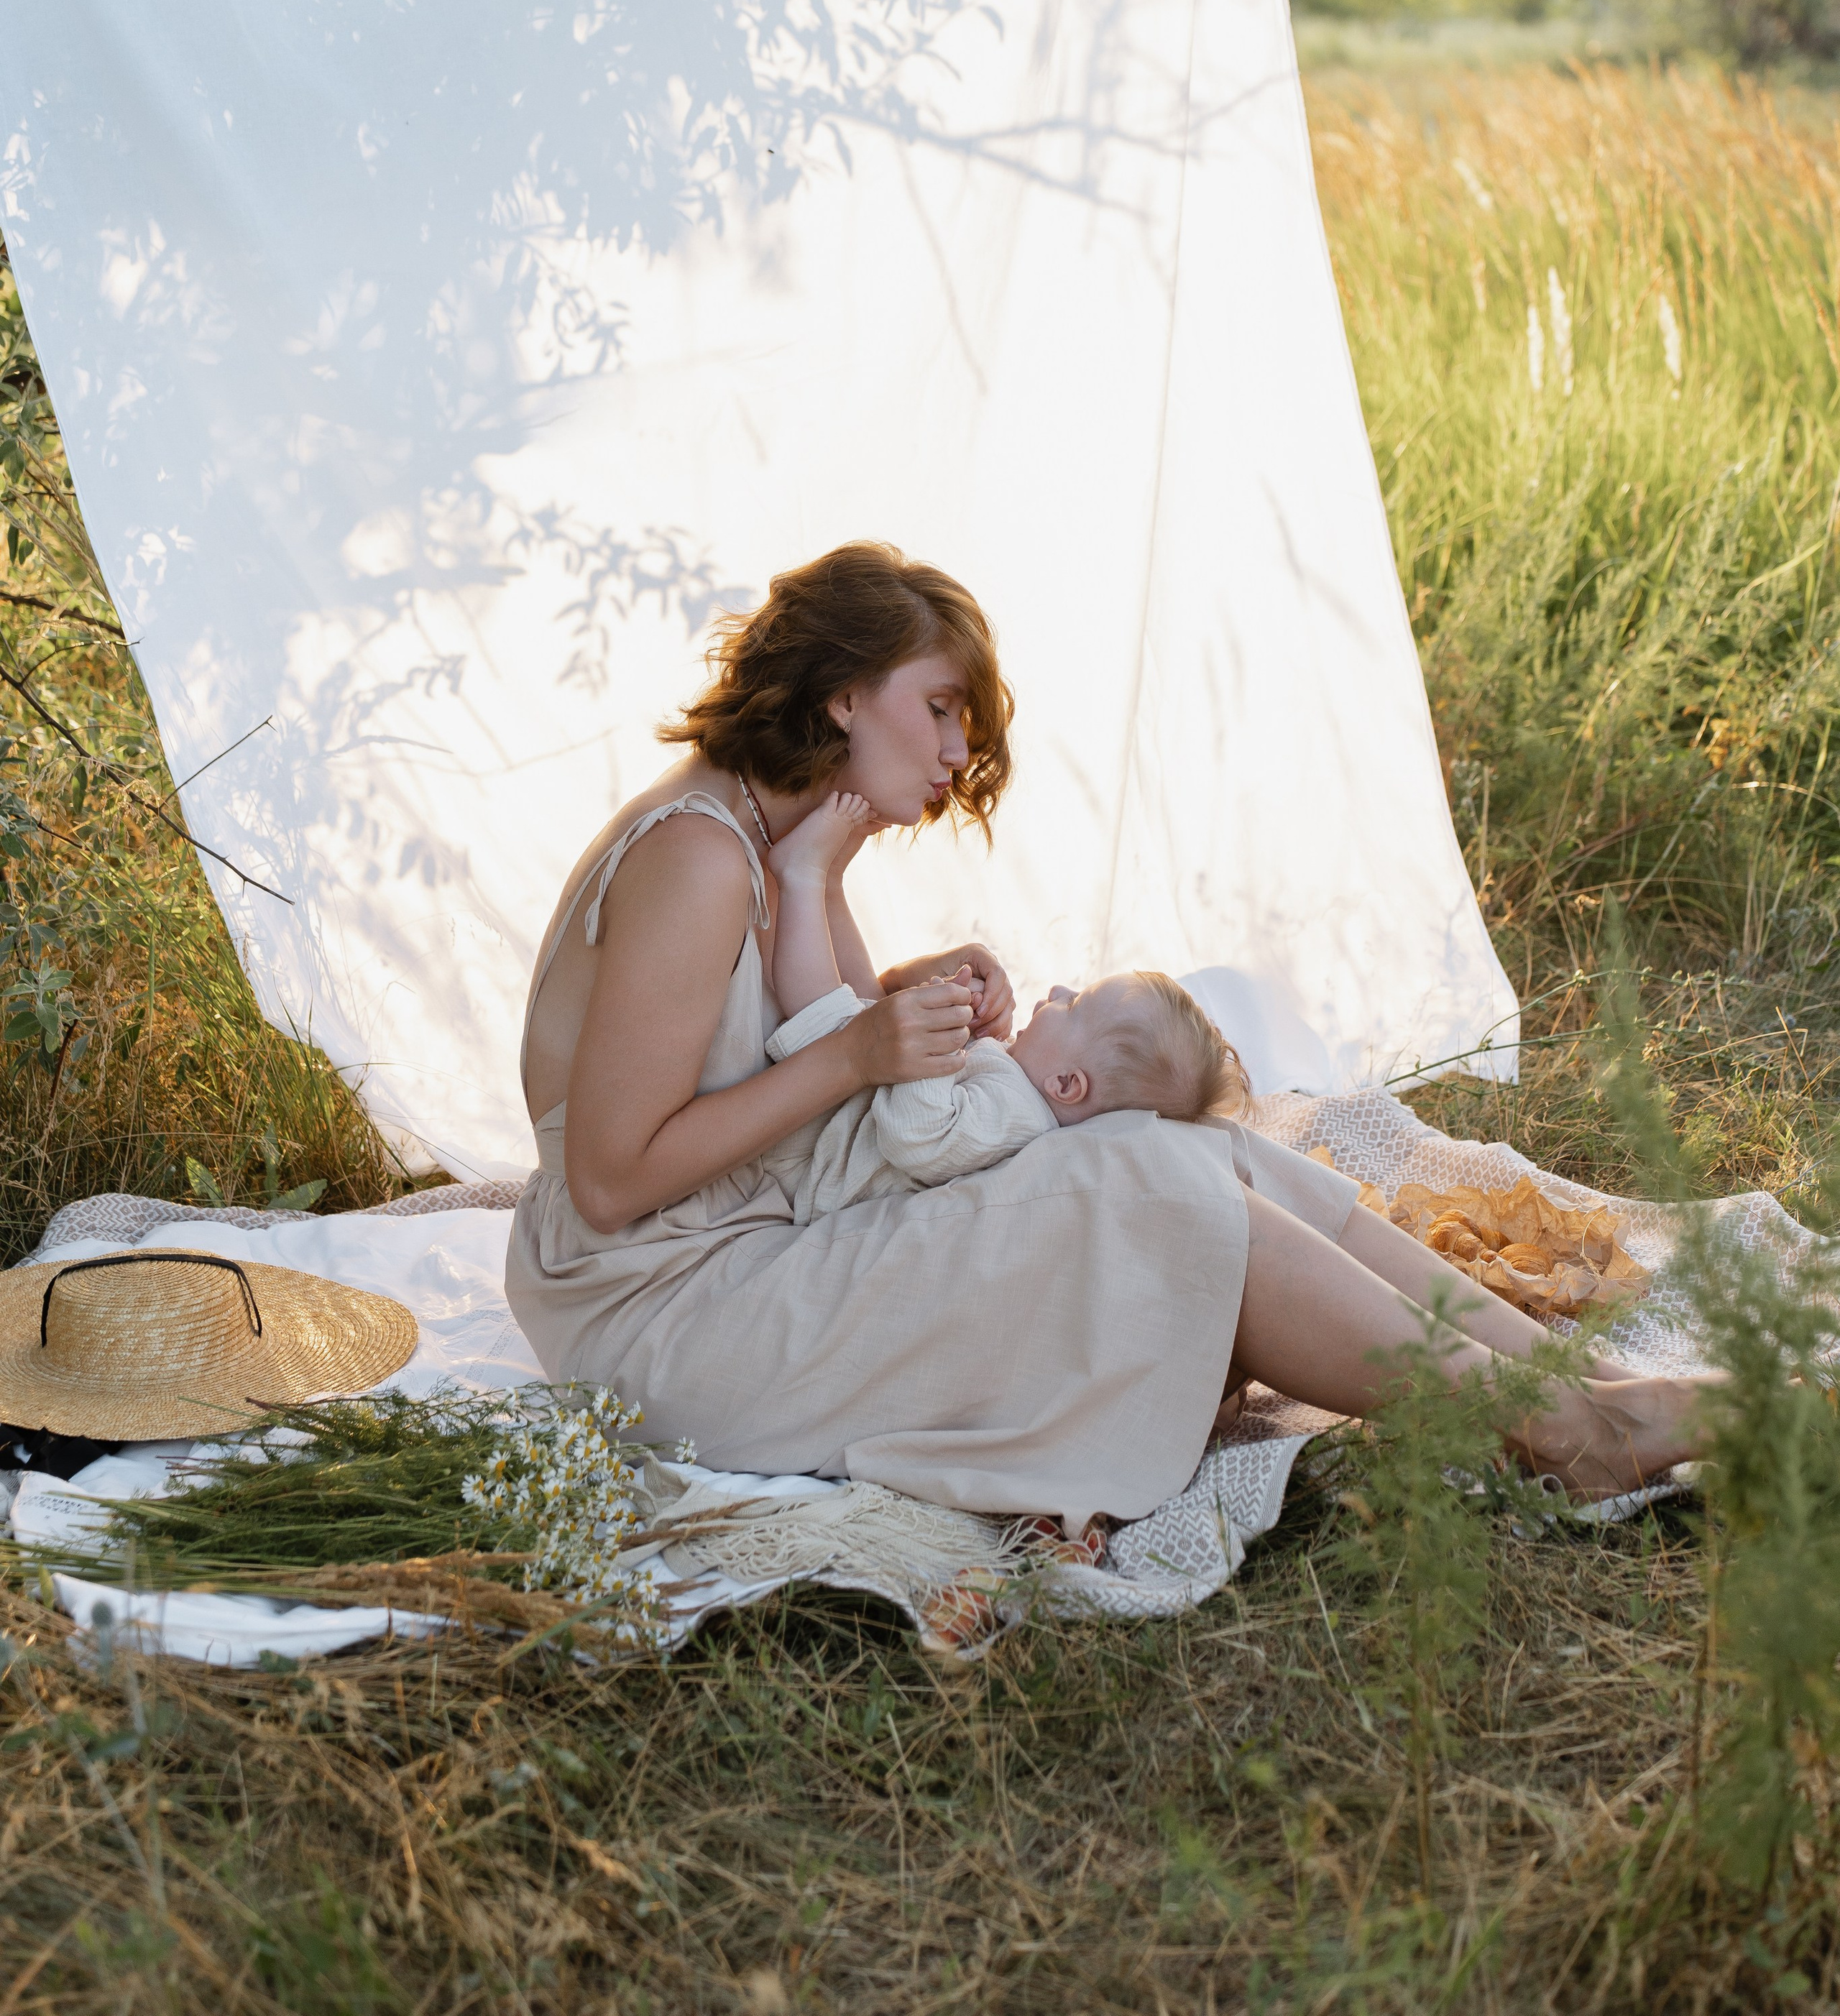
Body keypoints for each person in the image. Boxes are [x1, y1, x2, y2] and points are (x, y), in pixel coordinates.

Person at [505, 541, 1714, 1532]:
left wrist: (915, 1005)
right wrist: (861, 1054)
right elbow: (611, 1181)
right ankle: (1574, 1434)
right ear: (843, 695)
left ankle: (1581, 1392)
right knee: (1154, 1188)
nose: (957, 753)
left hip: (755, 1245)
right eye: (939, 708)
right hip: (667, 1321)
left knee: (1205, 1149)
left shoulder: (782, 840)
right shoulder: (698, 859)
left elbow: (829, 1052)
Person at [755, 788, 1248, 1222]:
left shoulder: (1018, 1116)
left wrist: (942, 1044)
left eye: (1074, 1006)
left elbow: (917, 1136)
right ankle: (830, 882)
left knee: (834, 1017)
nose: (1057, 991)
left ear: (1066, 1085)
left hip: (820, 1152)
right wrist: (966, 1031)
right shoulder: (1021, 1089)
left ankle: (803, 877)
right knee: (868, 1004)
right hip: (851, 1112)